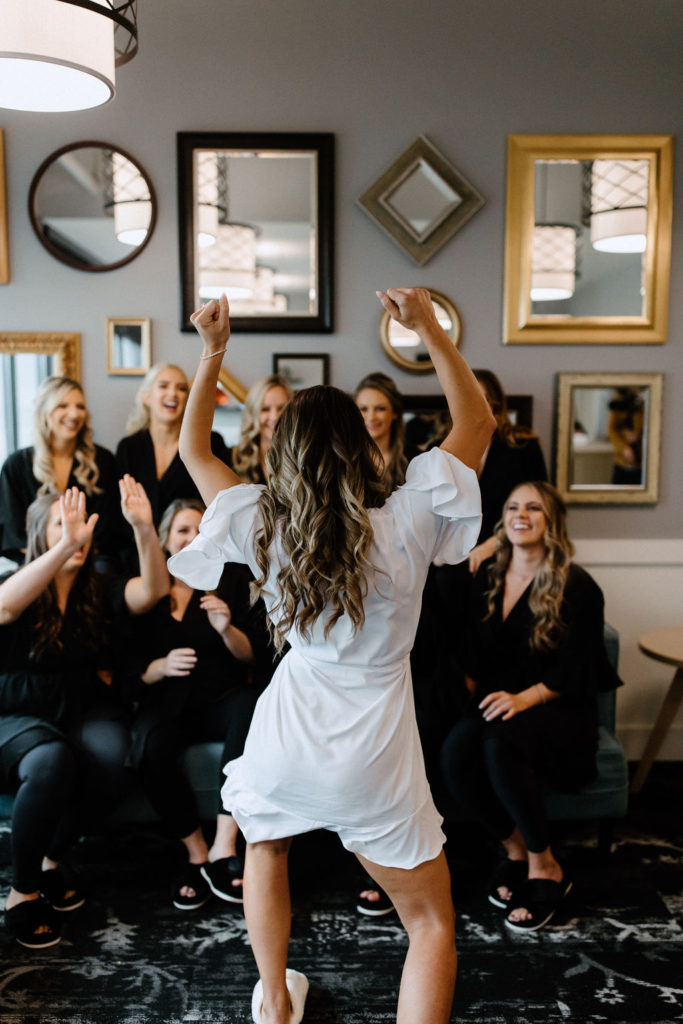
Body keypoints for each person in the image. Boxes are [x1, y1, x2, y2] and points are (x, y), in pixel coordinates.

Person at [168, 288, 495, 1024]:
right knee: (431, 924)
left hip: (288, 729)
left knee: (267, 848)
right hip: (373, 748)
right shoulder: (407, 519)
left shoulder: (259, 523)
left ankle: (277, 1003)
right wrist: (430, 333)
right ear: (362, 446)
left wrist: (214, 349)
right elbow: (476, 422)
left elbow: (193, 450)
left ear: (282, 453)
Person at [440, 481, 622, 933]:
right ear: (502, 521)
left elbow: (581, 667)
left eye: (534, 508)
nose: (522, 514)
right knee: (455, 753)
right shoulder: (488, 578)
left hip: (557, 707)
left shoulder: (577, 586)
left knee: (499, 747)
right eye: (513, 506)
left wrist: (525, 698)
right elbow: (470, 647)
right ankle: (516, 849)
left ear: (551, 522)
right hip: (501, 703)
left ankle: (545, 866)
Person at [0, 477, 169, 949]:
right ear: (40, 534)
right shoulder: (18, 582)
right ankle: (23, 892)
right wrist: (62, 549)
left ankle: (52, 855)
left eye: (81, 526)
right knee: (51, 761)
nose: (76, 533)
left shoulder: (99, 587)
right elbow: (3, 609)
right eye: (62, 524)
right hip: (15, 712)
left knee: (118, 755)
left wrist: (143, 529)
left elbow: (151, 591)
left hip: (77, 707)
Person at [127, 497, 273, 911]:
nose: (191, 538)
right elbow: (124, 660)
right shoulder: (147, 587)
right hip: (166, 706)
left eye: (199, 530)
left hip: (218, 698)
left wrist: (227, 629)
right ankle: (196, 853)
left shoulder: (229, 581)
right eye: (182, 531)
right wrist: (157, 667)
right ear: (165, 538)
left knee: (251, 705)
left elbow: (253, 657)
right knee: (148, 745)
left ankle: (225, 846)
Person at [0, 376, 124, 569]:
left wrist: (75, 558)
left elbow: (110, 528)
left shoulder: (103, 461)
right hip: (35, 564)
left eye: (80, 407)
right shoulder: (16, 466)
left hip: (90, 562)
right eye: (62, 406)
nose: (74, 414)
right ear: (44, 413)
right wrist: (52, 563)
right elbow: (13, 533)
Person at [116, 362, 232, 530]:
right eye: (163, 386)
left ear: (188, 400)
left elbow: (221, 504)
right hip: (136, 547)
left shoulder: (211, 443)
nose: (173, 393)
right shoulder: (128, 448)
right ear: (146, 397)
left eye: (182, 389)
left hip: (192, 546)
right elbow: (118, 512)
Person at [354, 372, 416, 493]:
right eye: (363, 409)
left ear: (394, 412)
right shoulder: (345, 459)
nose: (371, 417)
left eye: (380, 408)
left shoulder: (414, 459)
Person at [230, 375, 293, 484]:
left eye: (282, 408)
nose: (274, 417)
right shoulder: (233, 459)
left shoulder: (301, 459)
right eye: (265, 409)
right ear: (253, 413)